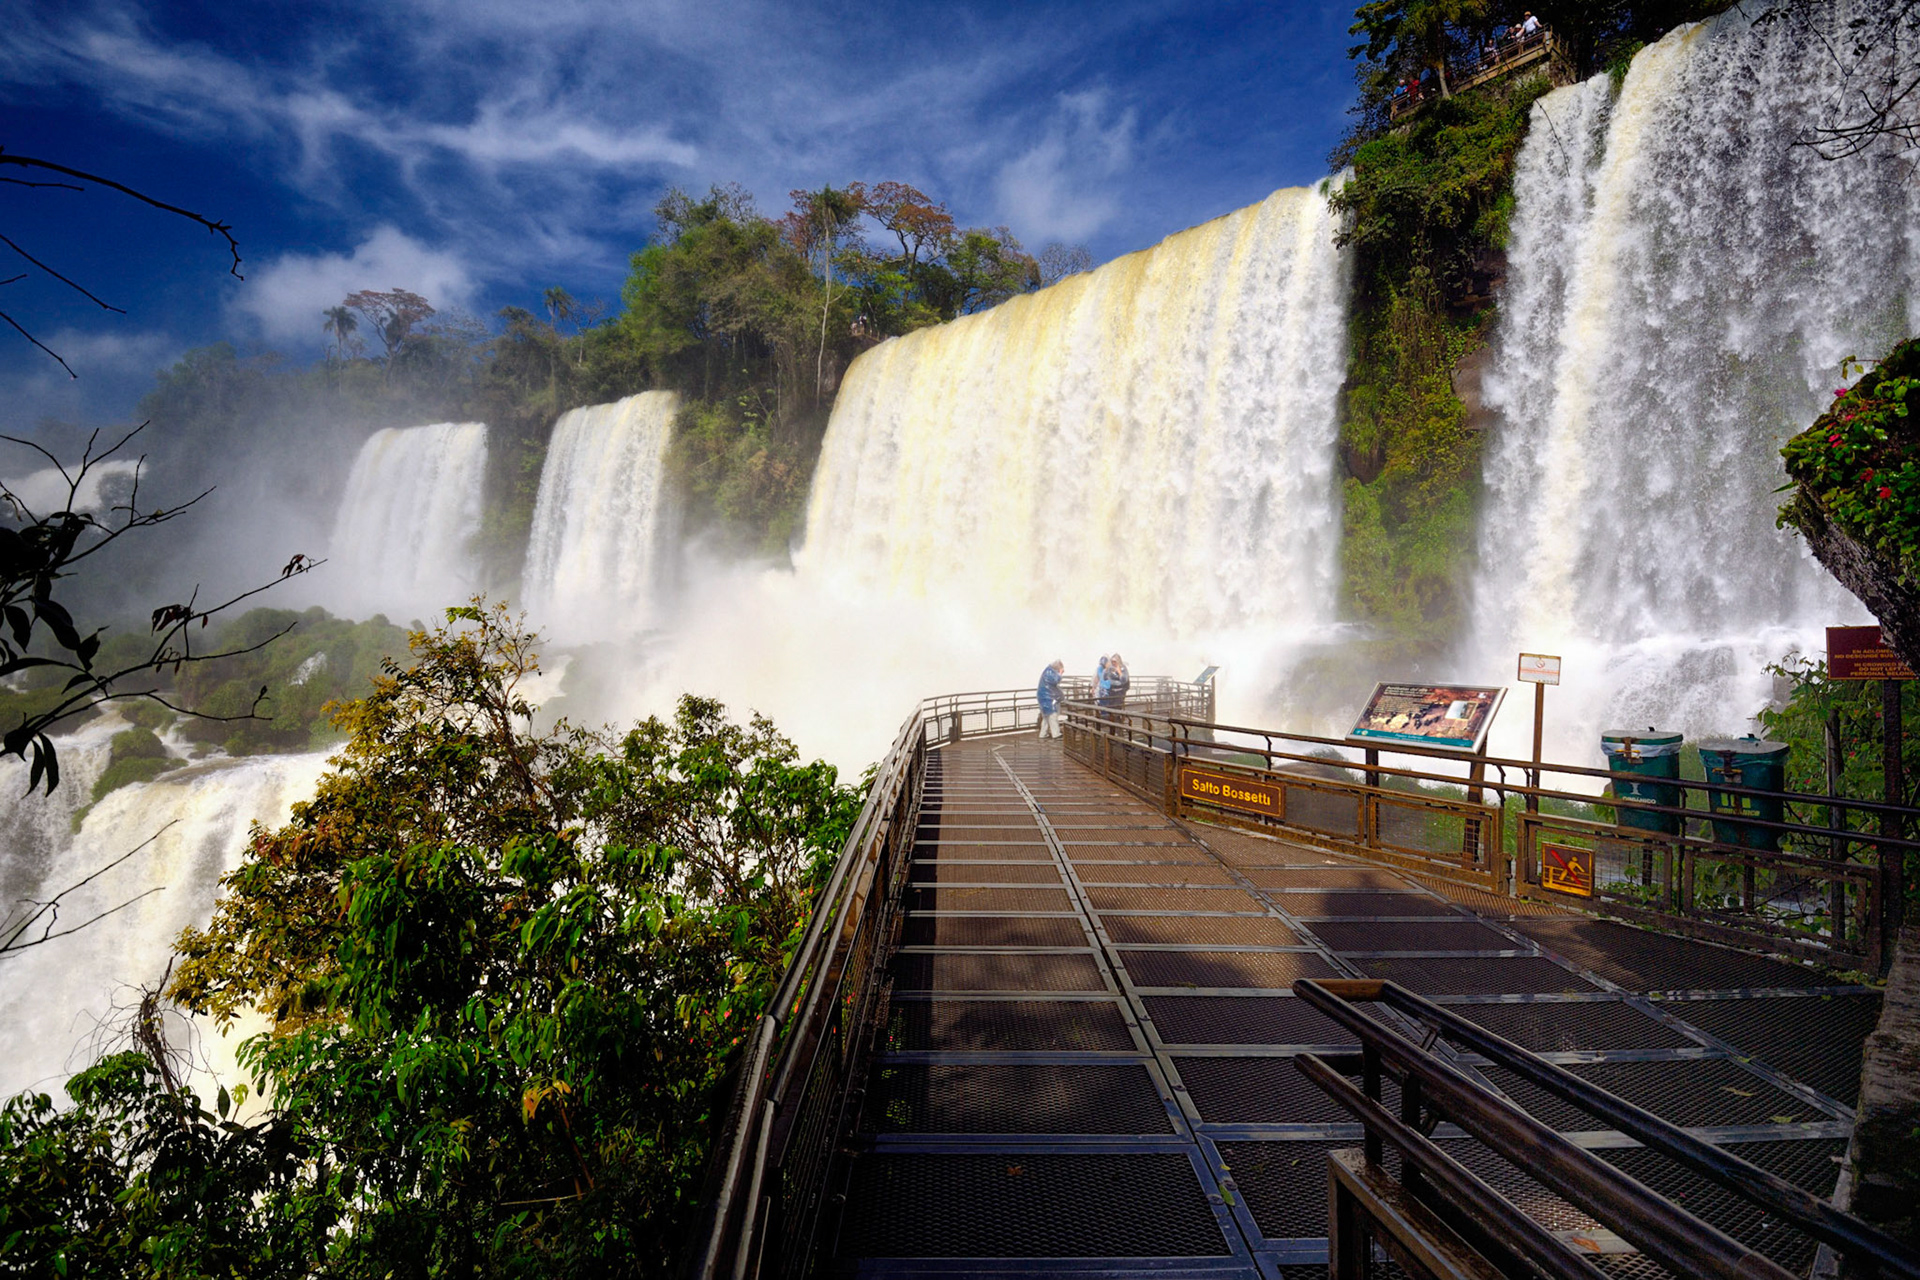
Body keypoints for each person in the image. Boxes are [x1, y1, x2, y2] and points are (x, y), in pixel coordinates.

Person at [1036, 659, 1065, 739]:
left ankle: (1043, 734)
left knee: (1046, 717)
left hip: (1044, 698)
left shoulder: (1048, 671)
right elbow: (1055, 681)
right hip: (1048, 698)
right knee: (1053, 716)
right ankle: (1056, 734)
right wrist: (1060, 674)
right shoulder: (1050, 673)